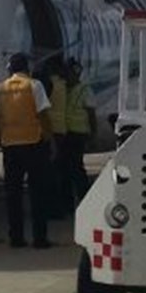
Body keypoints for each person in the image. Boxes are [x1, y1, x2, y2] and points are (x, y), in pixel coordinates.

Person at [0, 52, 53, 248]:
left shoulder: (1, 89)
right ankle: (39, 239)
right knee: (37, 193)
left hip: (10, 146)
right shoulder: (34, 85)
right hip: (33, 144)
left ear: (10, 69)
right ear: (27, 69)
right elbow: (43, 112)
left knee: (13, 194)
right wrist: (49, 137)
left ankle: (16, 238)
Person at [47, 57, 93, 211]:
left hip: (78, 135)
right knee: (64, 170)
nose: (65, 76)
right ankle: (67, 205)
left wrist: (92, 134)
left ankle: (86, 202)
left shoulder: (84, 90)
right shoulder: (65, 89)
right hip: (67, 134)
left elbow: (91, 113)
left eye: (68, 73)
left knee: (76, 170)